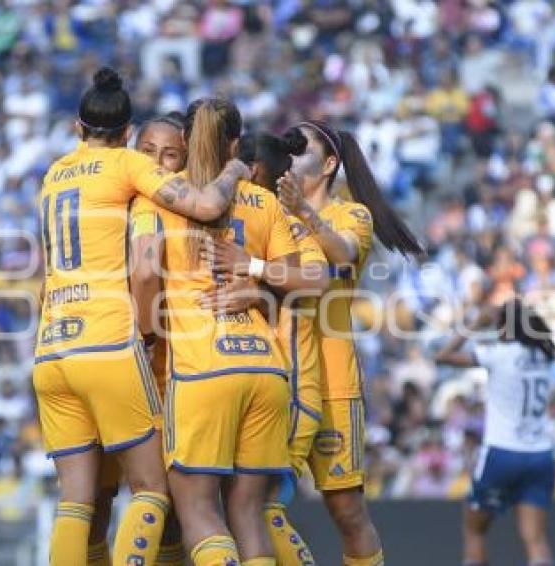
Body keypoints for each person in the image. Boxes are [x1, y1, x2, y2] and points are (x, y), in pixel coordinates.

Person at [34, 68, 249, 566]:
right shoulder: (127, 166)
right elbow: (206, 203)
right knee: (152, 488)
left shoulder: (53, 174)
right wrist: (236, 169)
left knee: (76, 499)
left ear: (76, 128)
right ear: (129, 134)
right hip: (107, 342)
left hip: (51, 347)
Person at [130, 98, 297, 565]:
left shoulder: (162, 196)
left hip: (204, 368)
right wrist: (260, 288)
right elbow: (299, 277)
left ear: (183, 143)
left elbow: (144, 275)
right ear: (236, 145)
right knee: (247, 512)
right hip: (265, 368)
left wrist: (144, 335)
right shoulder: (262, 199)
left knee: (197, 508)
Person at [278, 120, 423, 566]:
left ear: (329, 163)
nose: (290, 153)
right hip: (278, 372)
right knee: (261, 500)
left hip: (333, 376)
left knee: (346, 510)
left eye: (299, 147)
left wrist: (304, 210)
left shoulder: (350, 214)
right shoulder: (271, 211)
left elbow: (341, 253)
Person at [203, 128, 332, 565]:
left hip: (293, 385)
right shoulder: (231, 218)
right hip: (259, 379)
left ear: (251, 169)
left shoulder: (287, 221)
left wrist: (253, 270)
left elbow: (318, 279)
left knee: (264, 507)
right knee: (246, 508)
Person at [435, 299, 555, 566]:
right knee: (535, 539)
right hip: (540, 455)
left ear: (505, 328)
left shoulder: (499, 353)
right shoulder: (543, 356)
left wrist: (475, 323)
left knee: (474, 530)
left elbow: (443, 356)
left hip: (502, 453)